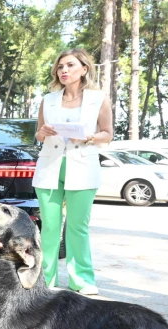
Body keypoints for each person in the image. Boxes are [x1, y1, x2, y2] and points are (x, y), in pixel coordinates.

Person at [32, 48, 113, 296]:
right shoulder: (49, 99)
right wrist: (42, 133)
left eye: (70, 65)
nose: (64, 70)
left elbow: (108, 134)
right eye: (60, 66)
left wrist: (89, 137)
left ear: (84, 69)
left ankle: (82, 280)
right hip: (49, 166)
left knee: (78, 227)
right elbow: (38, 133)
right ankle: (45, 278)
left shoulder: (99, 99)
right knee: (49, 227)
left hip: (83, 166)